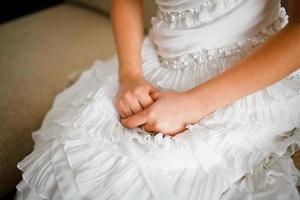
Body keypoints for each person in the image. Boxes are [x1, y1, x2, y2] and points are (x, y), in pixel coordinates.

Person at [15, 0, 300, 199]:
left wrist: (194, 104)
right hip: (153, 64)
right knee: (69, 165)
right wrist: (130, 76)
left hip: (249, 76)